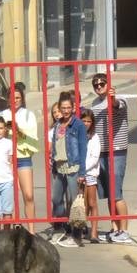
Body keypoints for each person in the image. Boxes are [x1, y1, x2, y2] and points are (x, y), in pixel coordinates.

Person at [88, 74, 131, 243]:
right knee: (108, 193)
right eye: (96, 85)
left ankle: (124, 230)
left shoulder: (120, 98)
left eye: (102, 84)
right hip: (101, 152)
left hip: (117, 150)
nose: (99, 87)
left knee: (117, 192)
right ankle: (114, 227)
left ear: (108, 84)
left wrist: (112, 98)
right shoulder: (94, 103)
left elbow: (117, 106)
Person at [48, 92, 87, 247]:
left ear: (73, 108)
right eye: (63, 108)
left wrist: (82, 172)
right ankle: (60, 228)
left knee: (73, 202)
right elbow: (55, 145)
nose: (65, 111)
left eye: (68, 108)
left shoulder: (78, 125)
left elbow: (83, 148)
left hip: (73, 167)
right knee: (56, 199)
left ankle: (76, 235)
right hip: (59, 167)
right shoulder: (58, 124)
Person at [0, 82, 39, 227]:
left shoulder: (29, 115)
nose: (14, 100)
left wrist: (19, 131)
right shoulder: (2, 115)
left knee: (28, 195)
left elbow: (34, 142)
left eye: (17, 97)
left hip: (23, 158)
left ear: (22, 99)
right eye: (12, 97)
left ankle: (31, 229)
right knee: (11, 196)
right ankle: (14, 228)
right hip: (6, 159)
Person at [79, 108, 103, 242]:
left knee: (92, 202)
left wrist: (83, 169)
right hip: (79, 173)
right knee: (82, 203)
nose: (86, 123)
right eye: (84, 120)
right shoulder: (76, 135)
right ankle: (81, 228)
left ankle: (94, 232)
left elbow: (94, 158)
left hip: (90, 173)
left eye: (89, 121)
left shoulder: (95, 137)